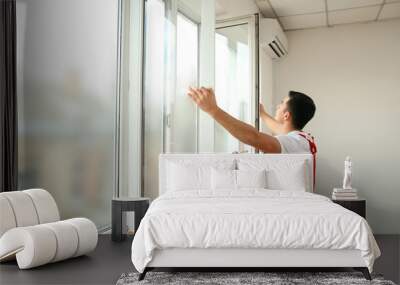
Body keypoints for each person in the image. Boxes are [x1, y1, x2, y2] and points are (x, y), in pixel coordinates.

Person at [187, 87, 316, 154]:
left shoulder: (294, 142)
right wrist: (263, 114)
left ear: (286, 116)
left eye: (281, 104)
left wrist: (213, 110)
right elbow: (280, 128)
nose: (277, 106)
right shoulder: (302, 139)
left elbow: (254, 137)